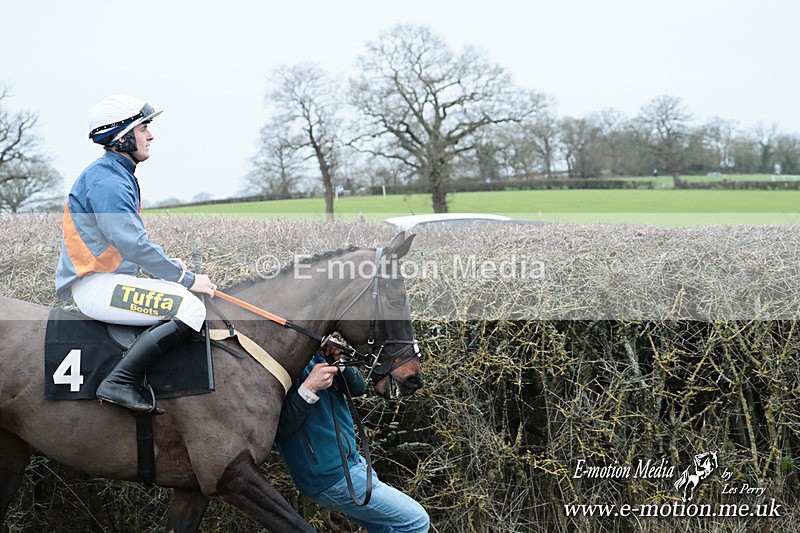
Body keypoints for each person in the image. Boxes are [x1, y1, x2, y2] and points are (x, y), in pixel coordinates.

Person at [55, 94, 217, 413]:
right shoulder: (108, 182)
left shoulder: (114, 175)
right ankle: (118, 382)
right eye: (143, 128)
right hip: (97, 287)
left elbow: (124, 247)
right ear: (122, 137)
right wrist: (186, 279)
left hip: (107, 281)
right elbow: (134, 245)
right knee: (190, 308)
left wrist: (170, 269)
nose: (150, 136)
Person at [275, 345, 429, 533]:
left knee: (389, 529)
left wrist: (340, 363)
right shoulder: (283, 360)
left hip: (354, 465)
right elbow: (277, 430)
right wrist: (308, 389)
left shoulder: (316, 352)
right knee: (416, 521)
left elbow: (358, 388)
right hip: (328, 476)